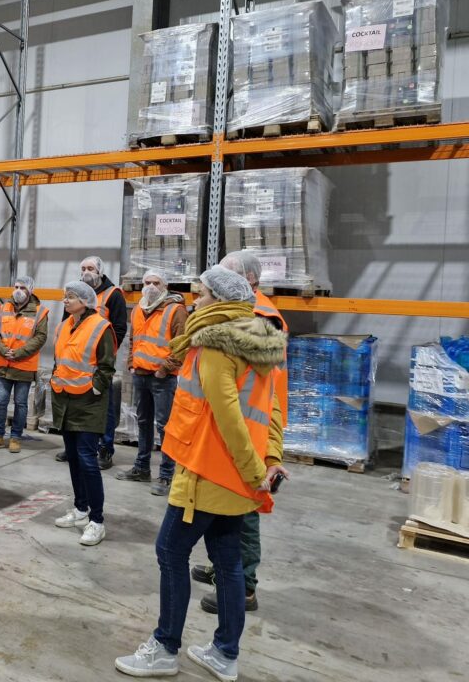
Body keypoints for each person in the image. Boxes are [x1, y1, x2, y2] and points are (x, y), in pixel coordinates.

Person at [114, 265, 286, 680]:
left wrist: (254, 471)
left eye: (203, 294)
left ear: (221, 301)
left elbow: (228, 417)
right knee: (227, 562)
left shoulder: (215, 346)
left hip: (207, 470)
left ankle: (164, 647)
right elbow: (272, 408)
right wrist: (269, 460)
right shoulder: (259, 342)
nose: (196, 301)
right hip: (235, 476)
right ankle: (225, 654)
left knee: (170, 552)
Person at [187, 251, 291, 615]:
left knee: (244, 506)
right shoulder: (247, 311)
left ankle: (243, 585)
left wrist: (268, 451)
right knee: (224, 504)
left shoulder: (259, 316)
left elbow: (256, 389)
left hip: (252, 424)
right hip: (241, 421)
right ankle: (222, 566)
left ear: (247, 280)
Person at [50, 281, 116, 546]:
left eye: (71, 297)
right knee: (75, 459)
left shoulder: (101, 327)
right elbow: (60, 360)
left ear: (85, 301)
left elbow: (106, 367)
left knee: (88, 460)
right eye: (65, 296)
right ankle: (80, 509)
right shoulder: (64, 325)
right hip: (64, 400)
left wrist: (95, 388)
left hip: (89, 403)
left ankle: (97, 521)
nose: (65, 300)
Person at [115, 269, 187, 495]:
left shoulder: (176, 310)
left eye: (156, 283)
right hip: (140, 375)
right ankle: (141, 468)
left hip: (162, 378)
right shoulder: (138, 309)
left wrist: (164, 370)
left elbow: (182, 345)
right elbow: (133, 339)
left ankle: (166, 475)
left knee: (165, 426)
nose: (151, 287)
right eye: (147, 282)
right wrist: (131, 363)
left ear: (165, 286)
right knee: (143, 422)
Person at [55, 255, 127, 469]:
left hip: (98, 362)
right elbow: (66, 325)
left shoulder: (113, 294)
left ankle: (105, 449)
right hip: (72, 363)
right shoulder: (73, 294)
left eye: (91, 268)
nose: (86, 272)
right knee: (72, 406)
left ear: (100, 272)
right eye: (83, 268)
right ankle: (73, 447)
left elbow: (119, 328)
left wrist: (105, 354)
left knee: (103, 407)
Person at [0, 275, 49, 454]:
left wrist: (19, 353)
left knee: (21, 404)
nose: (18, 291)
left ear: (31, 291)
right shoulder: (3, 308)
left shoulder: (40, 312)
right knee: (0, 403)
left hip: (24, 366)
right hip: (3, 364)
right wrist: (2, 350)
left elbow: (41, 337)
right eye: (16, 287)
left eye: (23, 288)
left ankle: (15, 437)